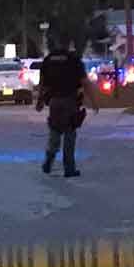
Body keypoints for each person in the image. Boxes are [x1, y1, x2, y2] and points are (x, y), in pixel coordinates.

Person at [37, 38, 99, 178]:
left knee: (55, 130)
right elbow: (85, 82)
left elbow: (43, 84)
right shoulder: (74, 60)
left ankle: (49, 160)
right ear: (69, 44)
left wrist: (39, 101)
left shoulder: (49, 60)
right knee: (69, 134)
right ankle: (69, 168)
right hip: (70, 101)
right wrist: (93, 102)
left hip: (54, 101)